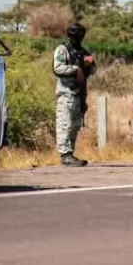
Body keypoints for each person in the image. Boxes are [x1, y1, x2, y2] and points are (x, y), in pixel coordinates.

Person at [52, 22, 95, 167]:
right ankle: (65, 154)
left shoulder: (83, 51)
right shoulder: (63, 49)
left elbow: (92, 69)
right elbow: (57, 68)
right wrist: (75, 69)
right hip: (66, 92)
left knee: (75, 124)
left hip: (79, 93)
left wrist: (89, 63)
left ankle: (70, 152)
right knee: (65, 123)